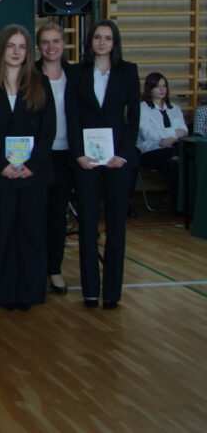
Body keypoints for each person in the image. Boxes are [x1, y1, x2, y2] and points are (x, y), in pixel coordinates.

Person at [66, 20, 140, 310]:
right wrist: (78, 154)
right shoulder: (77, 72)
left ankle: (111, 293)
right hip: (86, 160)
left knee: (116, 228)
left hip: (117, 161)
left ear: (115, 42)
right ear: (90, 41)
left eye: (108, 38)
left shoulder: (128, 71)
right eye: (97, 37)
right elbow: (71, 115)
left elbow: (133, 116)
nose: (102, 42)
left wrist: (123, 154)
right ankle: (90, 291)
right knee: (87, 226)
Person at [0, 26, 56, 311]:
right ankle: (3, 292)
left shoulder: (41, 83)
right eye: (11, 46)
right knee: (2, 233)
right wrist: (2, 164)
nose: (16, 52)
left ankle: (29, 292)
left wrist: (32, 165)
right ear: (1, 49)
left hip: (33, 175)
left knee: (31, 234)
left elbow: (48, 131)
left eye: (22, 47)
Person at [36, 22, 75, 295]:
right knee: (35, 215)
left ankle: (55, 269)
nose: (51, 47)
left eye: (56, 41)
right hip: (38, 154)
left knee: (57, 216)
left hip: (68, 154)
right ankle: (36, 269)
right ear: (39, 46)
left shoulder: (77, 75)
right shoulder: (30, 74)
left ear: (63, 44)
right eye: (46, 42)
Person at [137, 72, 188, 204]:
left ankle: (182, 202)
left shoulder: (175, 108)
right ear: (150, 89)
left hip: (174, 146)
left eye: (164, 86)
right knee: (175, 157)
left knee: (179, 159)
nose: (162, 89)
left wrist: (171, 139)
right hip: (150, 151)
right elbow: (148, 134)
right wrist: (173, 132)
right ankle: (180, 202)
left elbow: (185, 131)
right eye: (157, 86)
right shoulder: (142, 108)